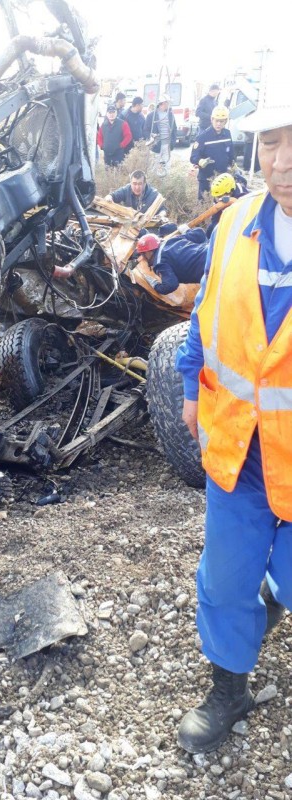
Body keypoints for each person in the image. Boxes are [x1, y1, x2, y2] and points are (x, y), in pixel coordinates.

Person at [175, 76, 292, 754]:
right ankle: (229, 688)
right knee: (224, 578)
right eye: (271, 141)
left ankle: (274, 594)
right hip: (240, 449)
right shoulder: (234, 223)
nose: (284, 161)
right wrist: (191, 386)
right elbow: (205, 313)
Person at [136, 228, 208, 294]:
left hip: (209, 268)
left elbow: (170, 285)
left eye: (143, 254)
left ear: (149, 252)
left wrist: (155, 285)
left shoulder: (160, 262)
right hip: (211, 250)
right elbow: (200, 234)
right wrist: (186, 230)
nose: (143, 258)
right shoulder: (172, 240)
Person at [190, 106, 234, 199]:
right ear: (212, 119)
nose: (218, 124)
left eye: (221, 121)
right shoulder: (203, 137)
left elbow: (231, 152)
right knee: (204, 203)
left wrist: (232, 164)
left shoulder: (227, 134)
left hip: (222, 177)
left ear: (226, 121)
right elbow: (193, 156)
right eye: (216, 121)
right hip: (206, 178)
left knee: (221, 203)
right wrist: (200, 161)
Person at [205, 171, 249, 238]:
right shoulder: (219, 194)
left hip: (242, 221)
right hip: (226, 217)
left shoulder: (242, 195)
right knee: (211, 228)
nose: (219, 199)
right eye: (217, 197)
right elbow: (215, 218)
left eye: (221, 196)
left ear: (230, 191)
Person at [144, 95, 177, 175]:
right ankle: (154, 181)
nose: (169, 105)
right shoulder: (151, 116)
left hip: (167, 146)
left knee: (166, 167)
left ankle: (165, 181)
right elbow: (145, 130)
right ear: (163, 103)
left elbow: (174, 129)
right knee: (153, 168)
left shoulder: (170, 115)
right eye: (167, 103)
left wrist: (172, 142)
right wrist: (152, 139)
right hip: (156, 146)